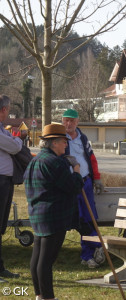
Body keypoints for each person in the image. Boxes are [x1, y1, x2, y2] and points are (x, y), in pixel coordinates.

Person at [24, 124, 83, 300]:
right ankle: (48, 297)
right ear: (54, 143)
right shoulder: (54, 162)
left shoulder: (36, 160)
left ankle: (39, 295)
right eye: (64, 141)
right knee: (46, 261)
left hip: (38, 213)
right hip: (53, 216)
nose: (66, 145)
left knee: (37, 259)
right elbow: (73, 187)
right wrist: (77, 171)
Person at [62, 109, 105, 268]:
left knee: (89, 218)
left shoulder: (83, 137)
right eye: (66, 120)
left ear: (77, 122)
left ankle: (87, 256)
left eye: (72, 121)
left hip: (86, 182)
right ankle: (96, 247)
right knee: (80, 220)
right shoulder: (60, 138)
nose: (68, 124)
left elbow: (92, 159)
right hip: (70, 184)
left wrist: (97, 178)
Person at [0, 95, 23, 281]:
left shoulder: (2, 129)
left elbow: (13, 141)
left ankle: (0, 267)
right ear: (4, 110)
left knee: (1, 226)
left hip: (5, 181)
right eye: (7, 109)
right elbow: (15, 146)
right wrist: (17, 142)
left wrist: (16, 142)